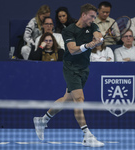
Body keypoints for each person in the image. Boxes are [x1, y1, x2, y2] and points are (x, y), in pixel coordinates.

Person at [33, 3, 104, 147]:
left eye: (94, 17)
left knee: (67, 98)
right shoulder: (69, 31)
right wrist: (89, 45)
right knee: (79, 99)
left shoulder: (92, 26)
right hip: (71, 68)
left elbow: (98, 34)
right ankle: (87, 135)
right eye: (91, 16)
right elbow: (72, 50)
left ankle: (42, 120)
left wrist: (99, 38)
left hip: (84, 68)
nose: (93, 19)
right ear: (83, 15)